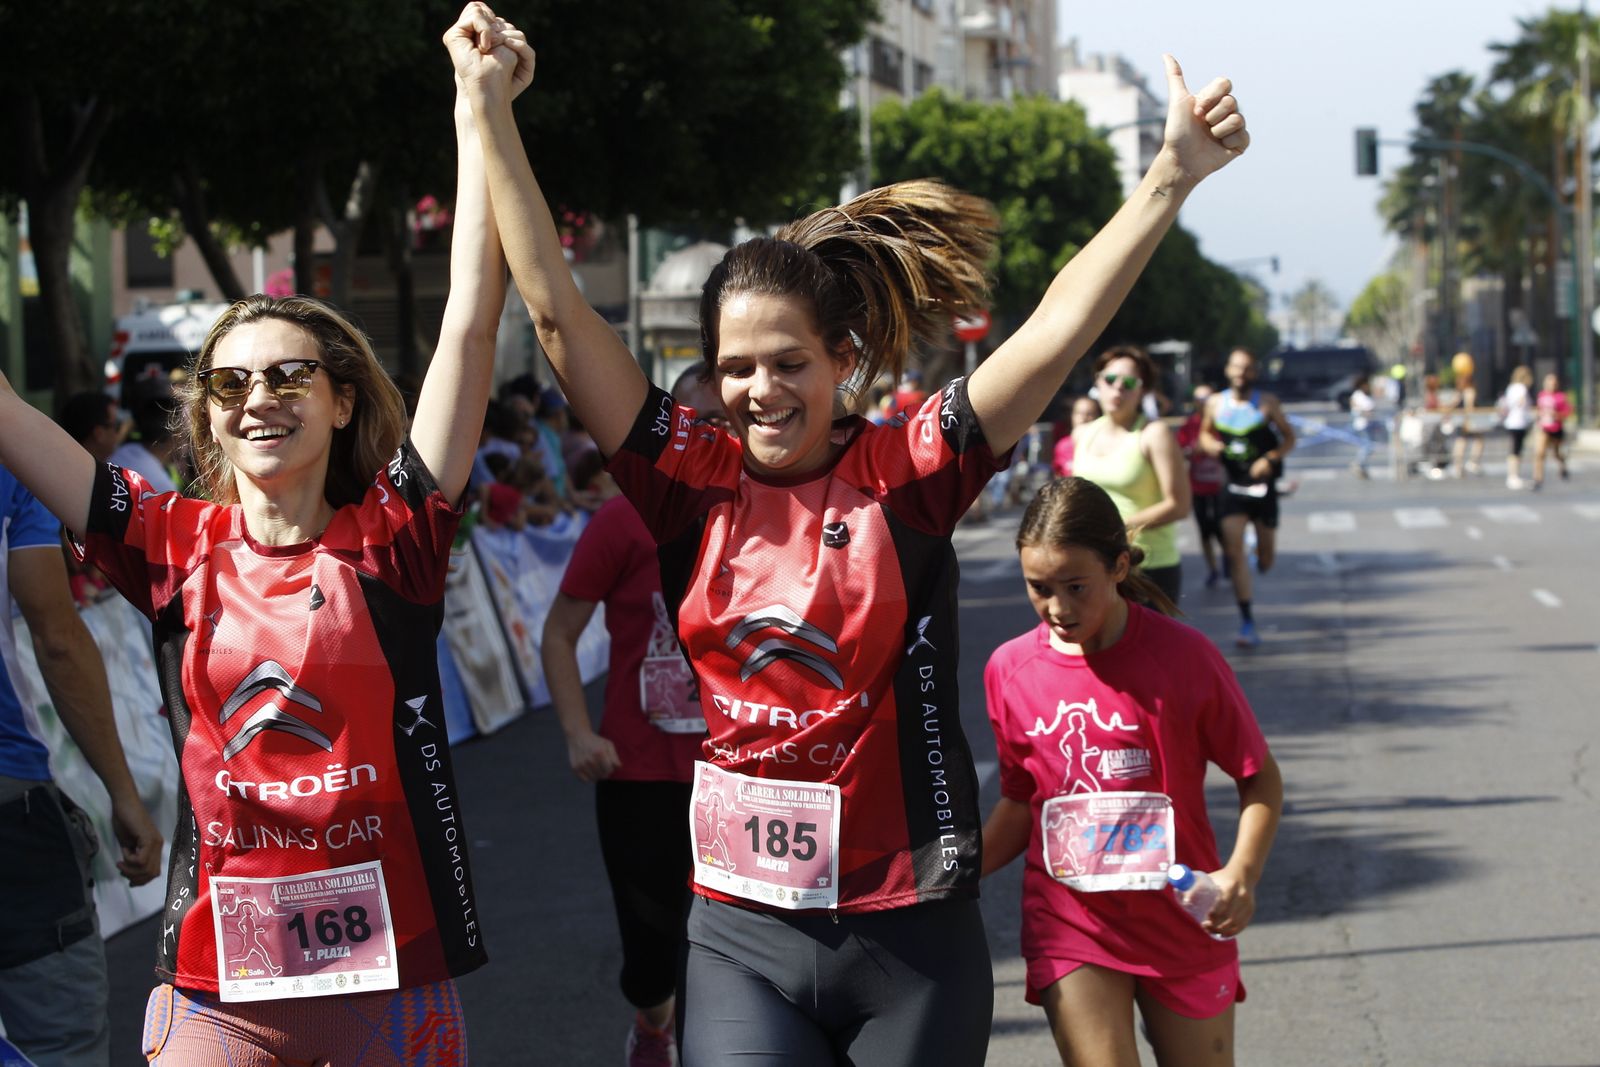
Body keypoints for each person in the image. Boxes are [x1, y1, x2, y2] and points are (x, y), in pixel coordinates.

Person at [459, 16, 1248, 1059]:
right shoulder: (684, 479)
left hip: (909, 933)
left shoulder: (910, 473)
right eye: (736, 366)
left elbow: (1053, 332)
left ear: (841, 360)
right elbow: (557, 317)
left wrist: (1169, 178)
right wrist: (489, 110)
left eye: (787, 362)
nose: (759, 388)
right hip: (741, 929)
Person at [0, 8, 517, 1062]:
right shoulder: (171, 541)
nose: (258, 398)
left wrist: (480, 109)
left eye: (290, 374)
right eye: (231, 381)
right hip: (218, 989)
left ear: (339, 401)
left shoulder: (396, 538)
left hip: (389, 985)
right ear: (207, 414)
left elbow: (470, 312)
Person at [980, 477, 1282, 1067]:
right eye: (1039, 589)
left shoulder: (1184, 658)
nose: (1059, 609)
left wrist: (1241, 874)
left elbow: (1259, 778)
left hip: (1182, 915)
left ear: (1119, 567)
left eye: (1076, 587)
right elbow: (1021, 803)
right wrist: (950, 876)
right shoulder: (1009, 669)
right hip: (1072, 924)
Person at [540, 368, 723, 1067]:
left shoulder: (759, 514)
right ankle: (654, 1023)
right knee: (651, 954)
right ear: (673, 426)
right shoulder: (623, 520)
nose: (716, 436)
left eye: (727, 423)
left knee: (730, 947)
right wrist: (577, 731)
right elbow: (558, 631)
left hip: (733, 775)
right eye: (700, 422)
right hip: (638, 776)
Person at [0, 464, 164, 1067]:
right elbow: (57, 635)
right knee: (59, 1042)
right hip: (9, 803)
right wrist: (123, 793)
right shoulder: (11, 459)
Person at [1071, 346, 1190, 605]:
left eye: (1129, 383)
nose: (1117, 389)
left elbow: (1179, 505)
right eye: (1110, 380)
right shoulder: (1082, 434)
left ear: (1143, 390)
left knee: (1150, 647)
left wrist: (1116, 528)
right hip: (1097, 566)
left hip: (1149, 566)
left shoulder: (1153, 433)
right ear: (1097, 382)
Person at [1200, 348, 1295, 650]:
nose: (1241, 373)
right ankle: (1247, 620)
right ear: (1228, 370)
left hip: (1263, 487)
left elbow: (1289, 439)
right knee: (1234, 550)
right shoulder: (1215, 403)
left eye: (1247, 368)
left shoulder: (1267, 403)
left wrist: (1270, 457)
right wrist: (1210, 445)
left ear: (1254, 372)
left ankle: (1262, 552)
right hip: (1233, 486)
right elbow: (1203, 434)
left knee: (1265, 559)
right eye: (1236, 367)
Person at [1175, 385, 1225, 588]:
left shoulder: (1223, 422)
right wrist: (1195, 450)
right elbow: (1181, 451)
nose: (1203, 403)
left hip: (1221, 486)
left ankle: (1230, 559)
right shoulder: (1190, 424)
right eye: (1199, 399)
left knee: (1223, 530)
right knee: (1205, 531)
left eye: (1207, 399)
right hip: (1198, 487)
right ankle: (1213, 568)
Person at [1532, 372, 1572, 490]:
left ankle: (1562, 466)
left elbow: (1567, 412)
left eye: (1553, 383)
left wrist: (1557, 415)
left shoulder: (1560, 397)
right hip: (1543, 428)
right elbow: (1538, 409)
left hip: (1556, 428)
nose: (1551, 385)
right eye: (1549, 382)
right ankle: (1538, 478)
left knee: (1556, 453)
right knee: (1539, 453)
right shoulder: (1541, 395)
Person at [1448, 352, 1484, 478]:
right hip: (1467, 419)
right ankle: (1472, 462)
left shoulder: (1459, 390)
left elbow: (1453, 403)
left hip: (1459, 418)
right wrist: (1470, 420)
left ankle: (1458, 467)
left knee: (1460, 442)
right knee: (1478, 440)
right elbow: (1470, 407)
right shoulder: (1469, 390)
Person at [1498, 366, 1534, 490]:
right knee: (1516, 450)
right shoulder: (1522, 388)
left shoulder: (1511, 387)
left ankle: (1512, 475)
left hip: (1511, 421)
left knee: (1513, 449)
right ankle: (1514, 476)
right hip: (1519, 421)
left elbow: (1506, 404)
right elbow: (1523, 402)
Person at [1051, 396, 1101, 477]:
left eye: (1089, 414)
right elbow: (1058, 476)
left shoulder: (1103, 444)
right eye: (1079, 413)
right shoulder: (1062, 446)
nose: (1083, 418)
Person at [1347, 373, 1377, 479]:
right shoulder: (1358, 395)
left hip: (1368, 424)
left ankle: (1362, 465)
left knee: (1368, 446)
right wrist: (1366, 413)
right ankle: (1359, 463)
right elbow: (1356, 410)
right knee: (1367, 446)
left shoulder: (1364, 395)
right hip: (1362, 424)